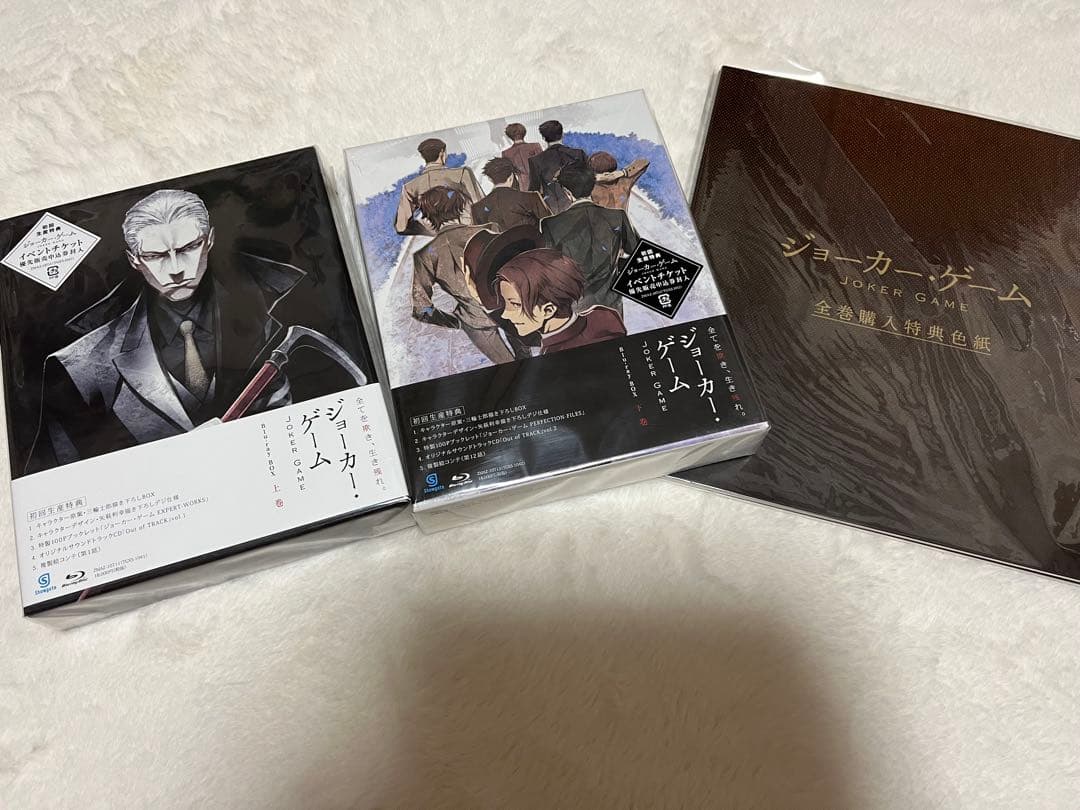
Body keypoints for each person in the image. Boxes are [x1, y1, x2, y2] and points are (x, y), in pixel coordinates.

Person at [28, 189, 303, 472]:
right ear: (134, 260)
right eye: (156, 256)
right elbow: (60, 479)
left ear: (209, 241)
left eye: (188, 249)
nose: (176, 269)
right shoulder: (80, 367)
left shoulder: (283, 314)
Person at [410, 186, 514, 364]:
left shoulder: (424, 255)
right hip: (509, 307)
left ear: (428, 217)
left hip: (473, 321)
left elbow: (421, 309)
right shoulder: (489, 230)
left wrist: (455, 322)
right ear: (459, 206)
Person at [539, 163, 639, 314]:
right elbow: (637, 252)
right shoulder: (617, 216)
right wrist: (613, 266)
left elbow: (550, 268)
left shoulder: (550, 224)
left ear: (567, 192)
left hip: (574, 305)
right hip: (611, 303)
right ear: (592, 186)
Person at [495, 248, 625, 355]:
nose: (505, 314)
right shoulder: (604, 315)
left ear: (548, 310)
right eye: (505, 303)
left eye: (515, 304)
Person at [394, 137, 484, 236]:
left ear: (423, 156)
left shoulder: (410, 187)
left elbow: (401, 227)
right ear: (442, 153)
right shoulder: (462, 173)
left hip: (440, 237)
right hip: (469, 232)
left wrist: (429, 230)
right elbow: (481, 206)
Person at [471, 157, 551, 232]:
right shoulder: (532, 197)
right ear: (511, 177)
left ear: (490, 179)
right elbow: (552, 225)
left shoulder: (477, 208)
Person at [527, 120, 587, 215]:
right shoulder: (579, 154)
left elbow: (534, 190)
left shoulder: (536, 161)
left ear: (543, 138)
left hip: (553, 208)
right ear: (562, 134)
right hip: (580, 204)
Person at [500, 122, 543, 192]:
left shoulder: (506, 153)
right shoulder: (536, 146)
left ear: (509, 136)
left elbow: (509, 177)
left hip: (523, 188)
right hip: (542, 184)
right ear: (524, 132)